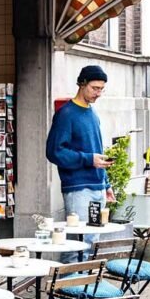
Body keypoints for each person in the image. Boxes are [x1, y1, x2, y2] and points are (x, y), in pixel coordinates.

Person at [46, 64, 115, 234]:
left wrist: (105, 184)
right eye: (95, 88)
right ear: (82, 84)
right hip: (79, 189)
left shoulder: (92, 113)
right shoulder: (66, 114)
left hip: (97, 188)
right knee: (79, 243)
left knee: (92, 242)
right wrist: (89, 159)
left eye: (101, 89)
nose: (98, 93)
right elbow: (54, 152)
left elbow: (96, 150)